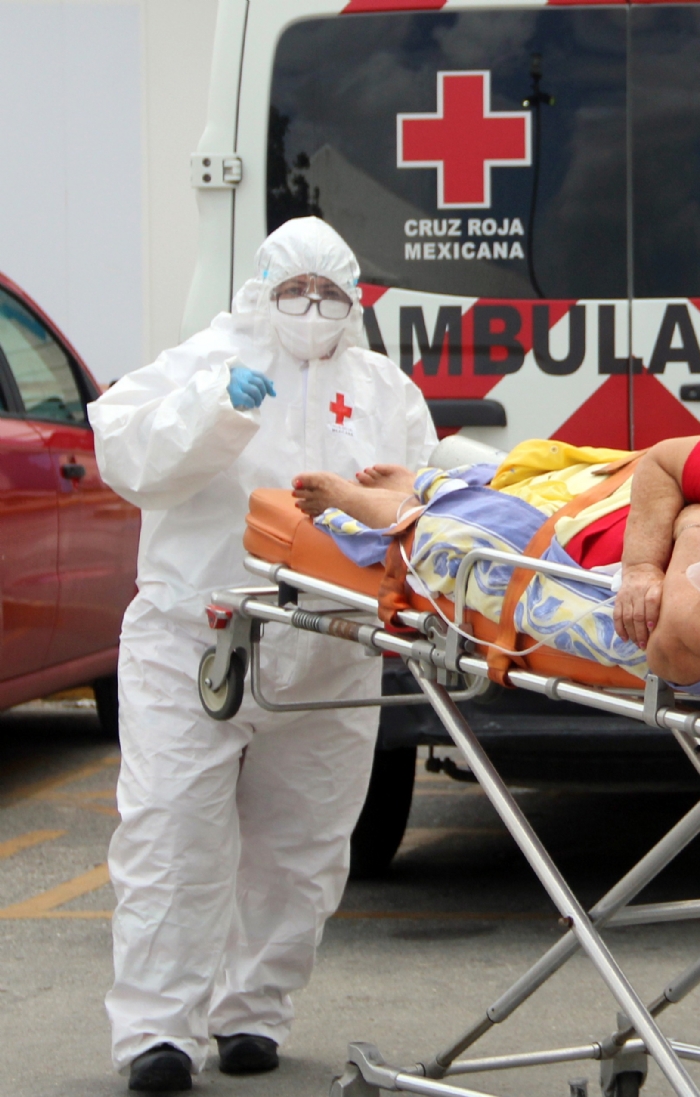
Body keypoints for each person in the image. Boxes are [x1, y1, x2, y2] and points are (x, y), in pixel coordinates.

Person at [90, 218, 436, 1092]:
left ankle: (253, 1013)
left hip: (329, 647)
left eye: (329, 294)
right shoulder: (204, 362)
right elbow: (126, 455)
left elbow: (418, 498)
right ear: (259, 291)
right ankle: (156, 1033)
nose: (311, 309)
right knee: (174, 834)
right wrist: (215, 411)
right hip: (198, 642)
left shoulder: (383, 389)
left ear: (354, 303)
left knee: (304, 844)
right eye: (294, 291)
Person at [292, 424, 700, 684]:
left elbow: (674, 647)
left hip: (567, 553)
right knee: (481, 491)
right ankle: (399, 489)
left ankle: (395, 498)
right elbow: (666, 464)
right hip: (609, 508)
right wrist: (648, 561)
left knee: (451, 526)